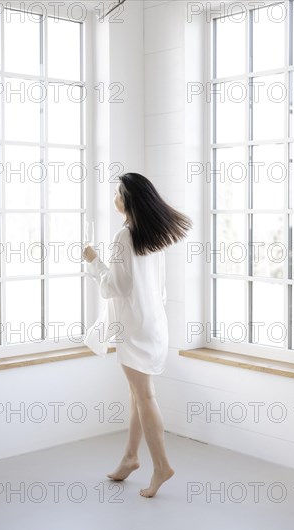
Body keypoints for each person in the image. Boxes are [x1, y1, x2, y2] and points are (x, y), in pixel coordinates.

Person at [82, 173, 193, 497]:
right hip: (153, 324)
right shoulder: (153, 234)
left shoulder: (124, 236)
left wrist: (94, 261)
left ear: (128, 200)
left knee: (144, 397)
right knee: (137, 394)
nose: (114, 196)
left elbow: (115, 287)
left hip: (133, 329)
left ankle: (162, 466)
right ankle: (130, 458)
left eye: (118, 192)